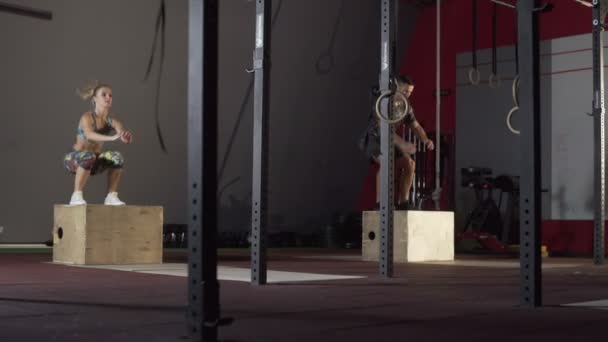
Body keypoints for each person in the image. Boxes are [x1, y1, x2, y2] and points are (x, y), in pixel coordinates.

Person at [359, 75, 434, 209]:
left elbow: (415, 126)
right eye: (405, 91)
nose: (407, 95)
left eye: (410, 93)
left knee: (410, 164)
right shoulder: (383, 102)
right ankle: (380, 203)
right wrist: (404, 145)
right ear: (395, 88)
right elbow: (384, 128)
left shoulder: (406, 107)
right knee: (387, 163)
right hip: (373, 139)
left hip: (389, 141)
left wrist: (425, 139)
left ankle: (403, 202)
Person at [63, 81, 133, 206]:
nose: (108, 98)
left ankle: (111, 196)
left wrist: (125, 137)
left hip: (94, 161)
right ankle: (76, 195)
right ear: (95, 99)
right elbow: (89, 134)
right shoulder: (87, 117)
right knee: (88, 156)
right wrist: (112, 138)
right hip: (74, 159)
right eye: (104, 95)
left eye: (110, 95)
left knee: (117, 157)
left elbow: (121, 133)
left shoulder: (113, 121)